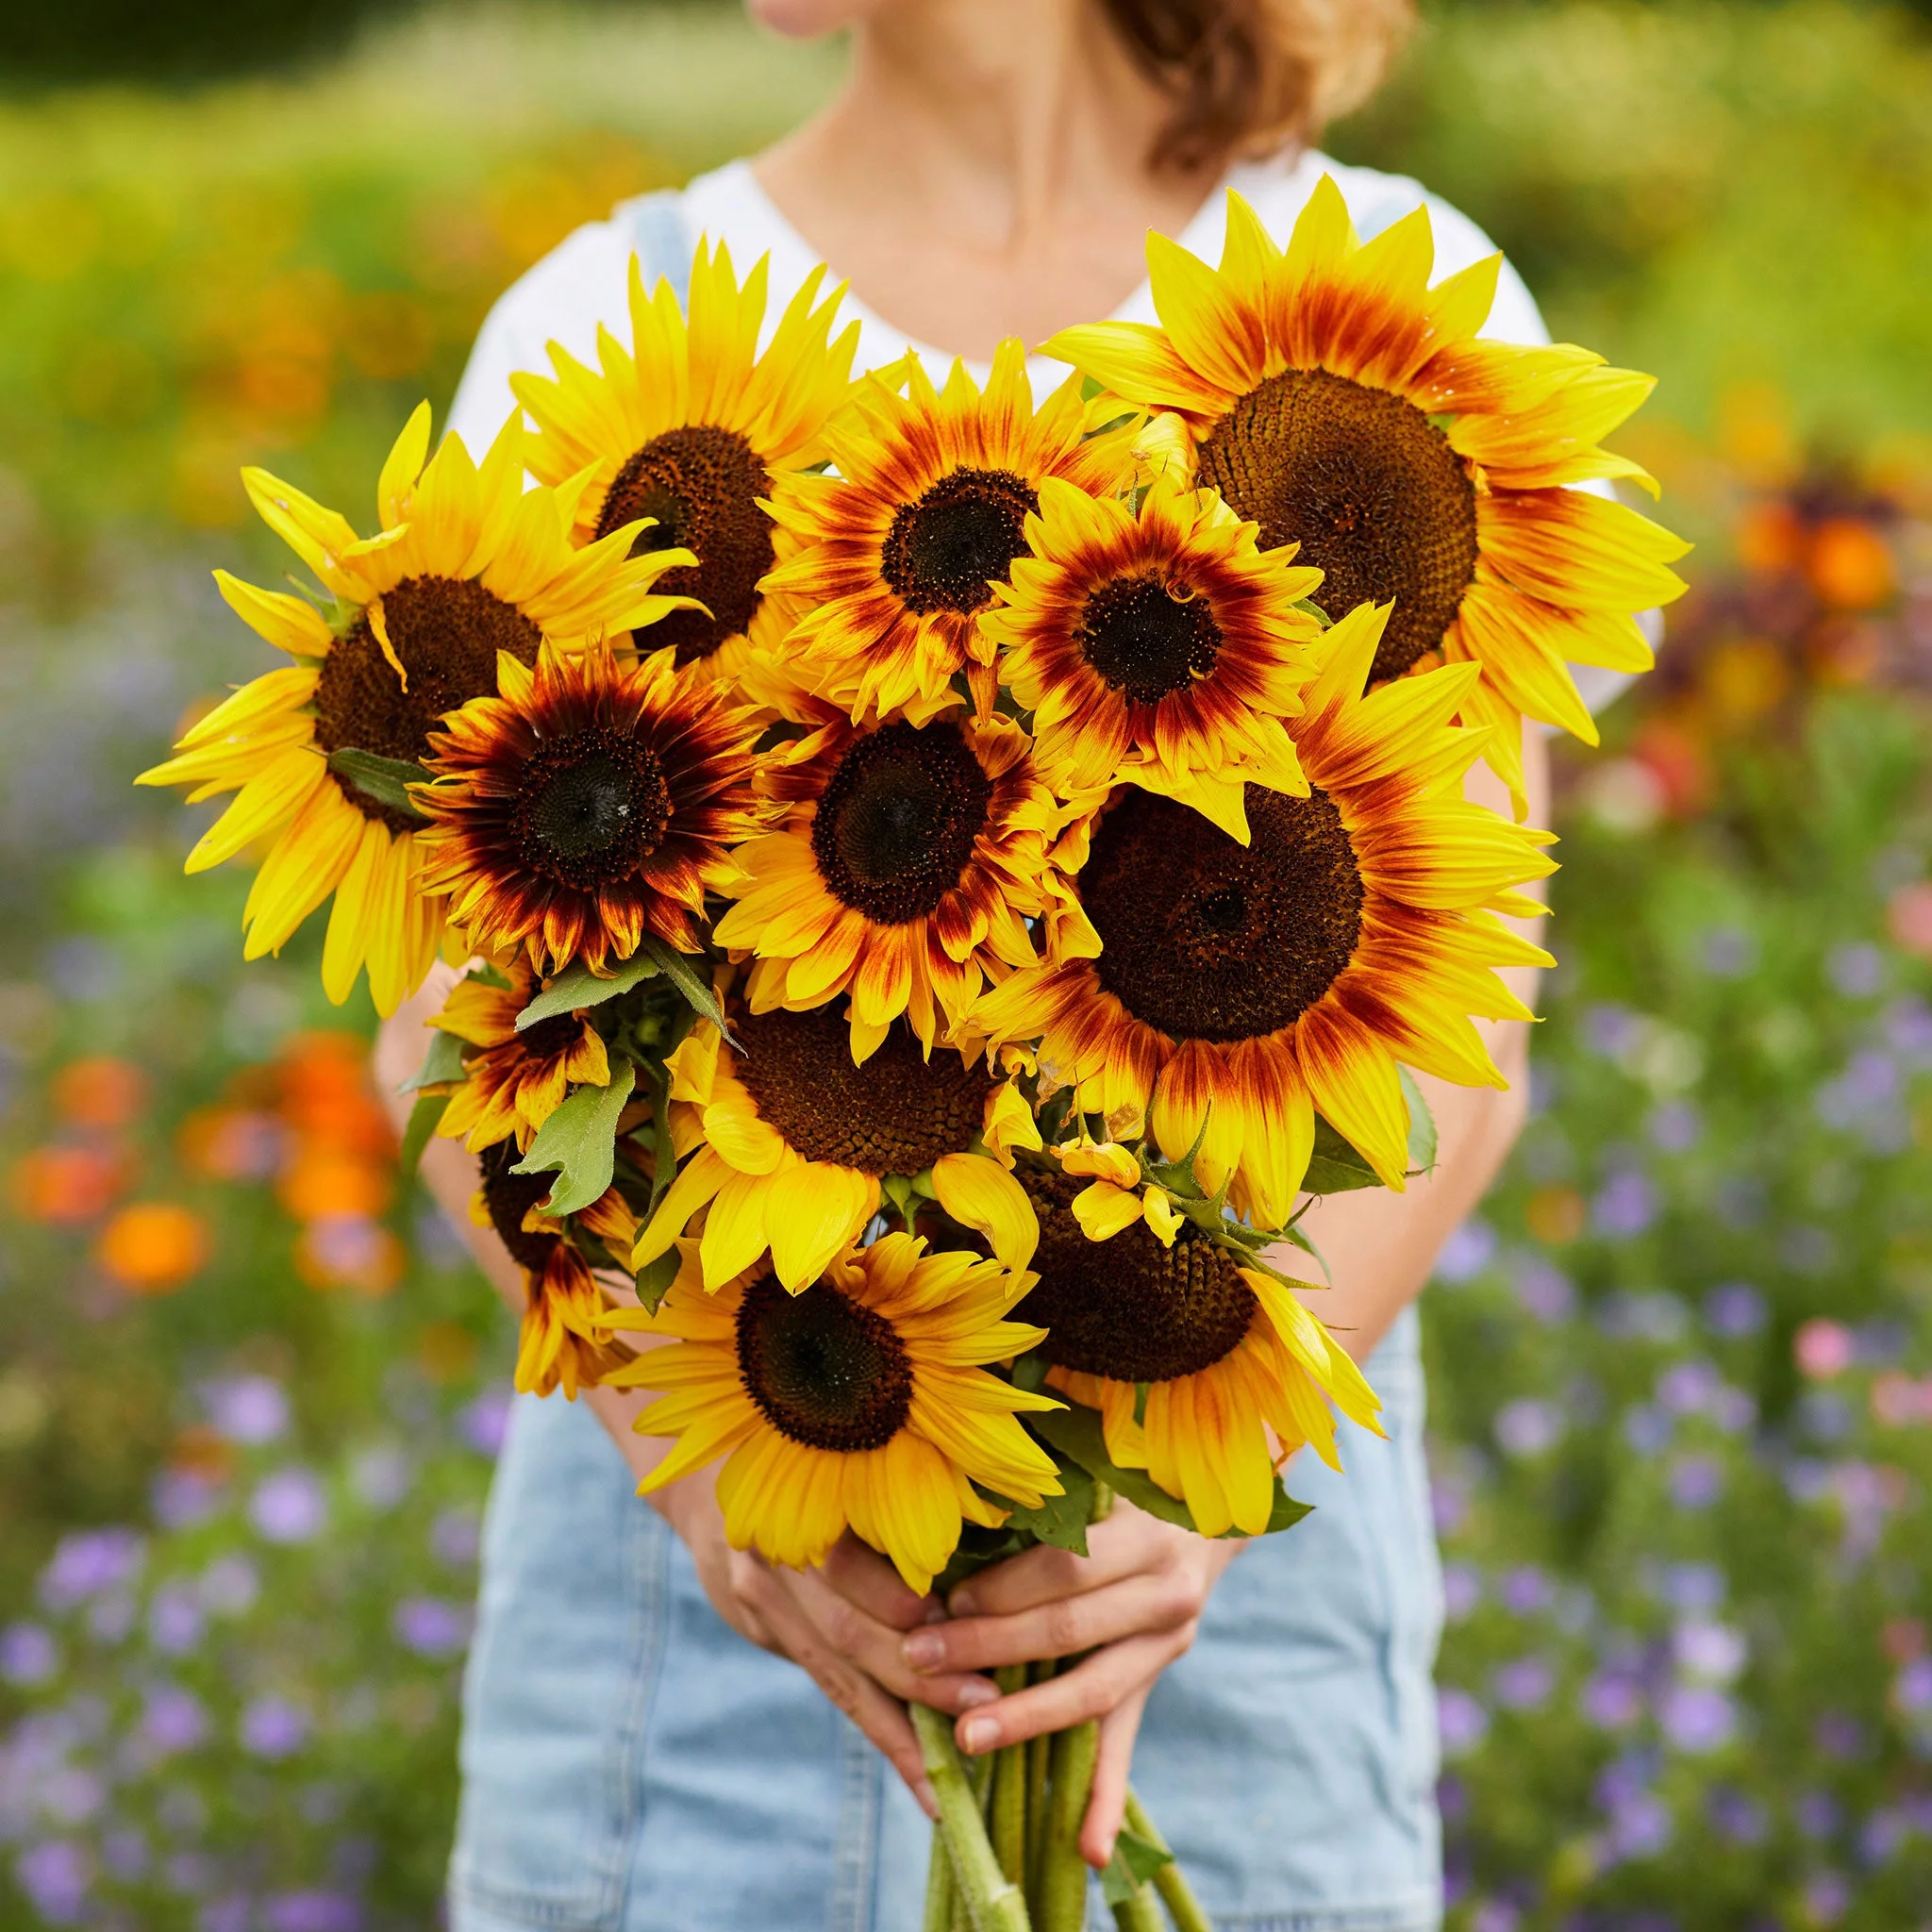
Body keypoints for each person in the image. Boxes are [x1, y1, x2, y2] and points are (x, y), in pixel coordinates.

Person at [376, 2, 1579, 1925]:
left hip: (1205, 1649)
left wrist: (1202, 1466)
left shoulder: (1381, 321)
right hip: (707, 1672)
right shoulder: (617, 325)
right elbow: (448, 1038)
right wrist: (708, 1482)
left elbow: (1461, 1027)